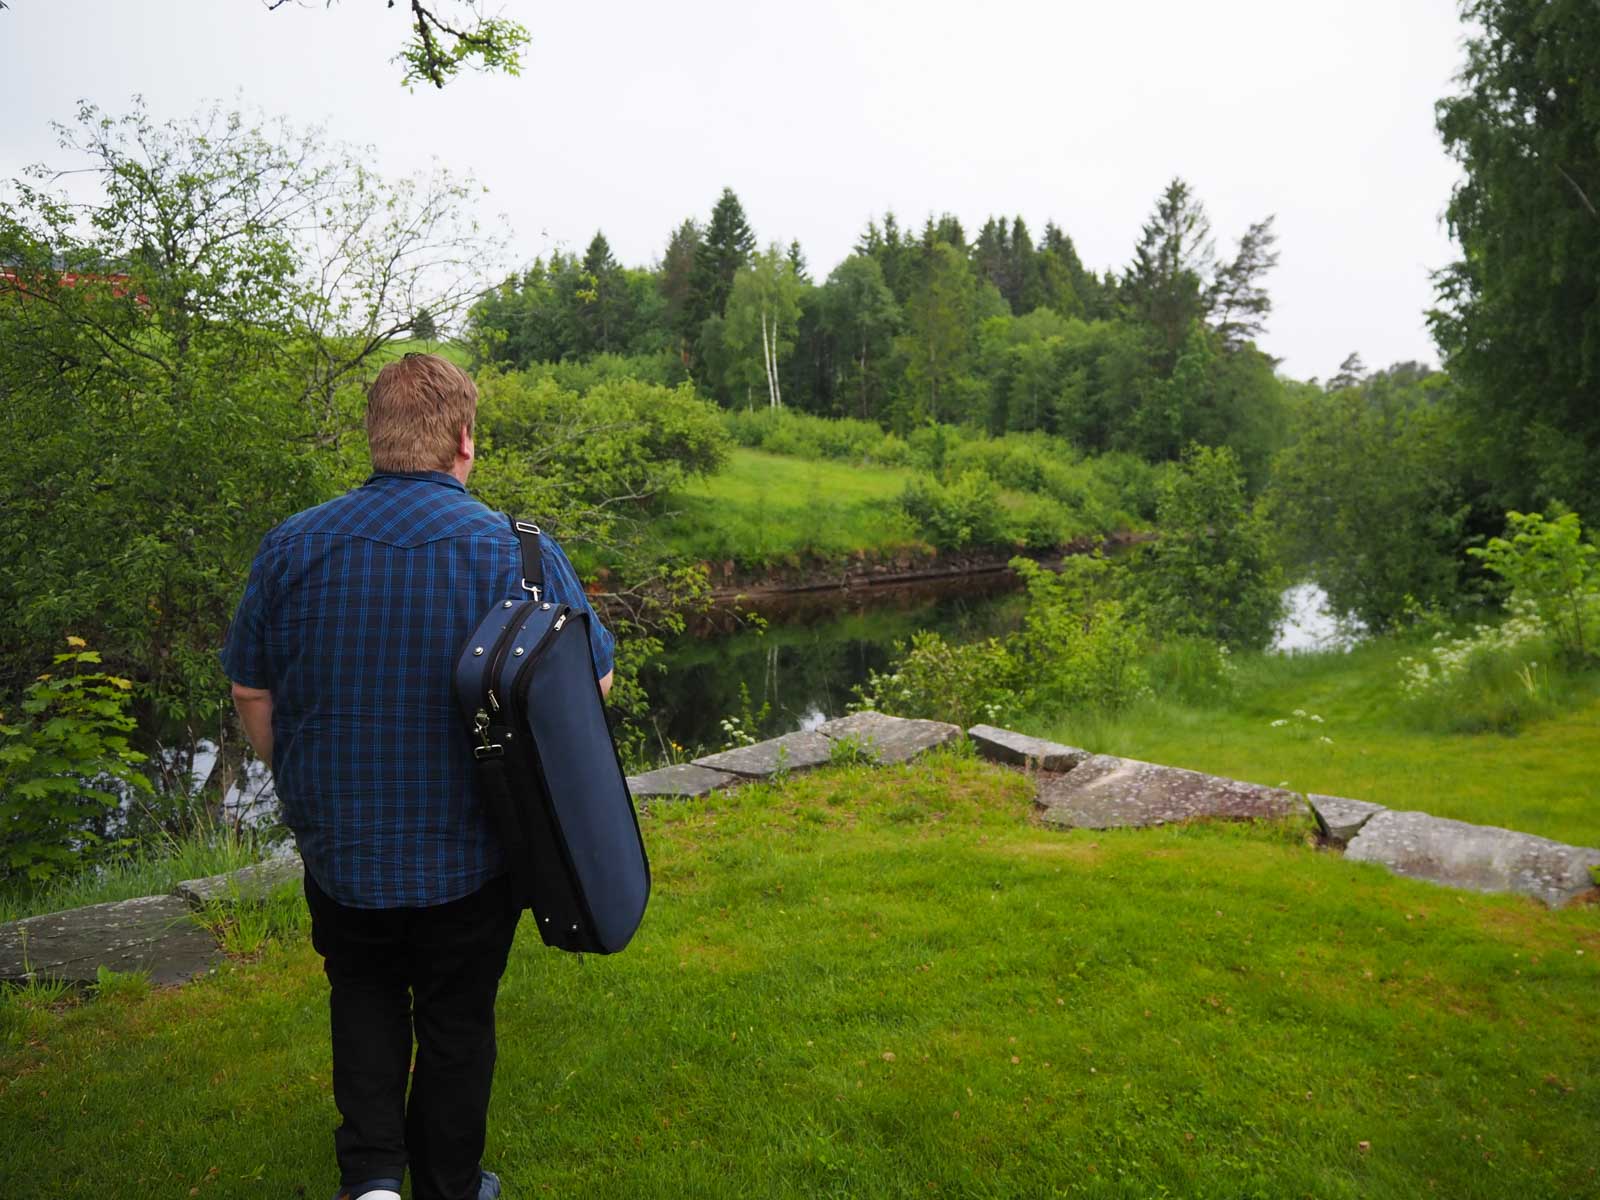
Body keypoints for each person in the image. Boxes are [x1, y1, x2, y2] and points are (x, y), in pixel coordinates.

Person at [221, 353, 615, 1200]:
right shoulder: (524, 555)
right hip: (474, 851)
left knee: (361, 992)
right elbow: (592, 687)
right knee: (456, 1014)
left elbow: (252, 688)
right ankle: (447, 1184)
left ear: (375, 437)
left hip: (342, 847)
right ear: (464, 439)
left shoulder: (291, 546)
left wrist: (299, 783)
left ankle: (371, 1183)